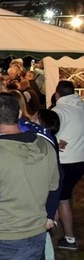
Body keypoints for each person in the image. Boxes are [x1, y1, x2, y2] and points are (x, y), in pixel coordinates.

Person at [0, 93, 59, 260]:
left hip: (6, 237)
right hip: (37, 233)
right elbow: (54, 186)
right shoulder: (45, 146)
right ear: (18, 114)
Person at [51, 80, 84, 250]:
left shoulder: (58, 111)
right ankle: (52, 233)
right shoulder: (81, 107)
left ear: (57, 94)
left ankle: (69, 238)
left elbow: (46, 132)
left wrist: (55, 141)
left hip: (64, 162)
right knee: (61, 198)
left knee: (61, 199)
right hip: (80, 161)